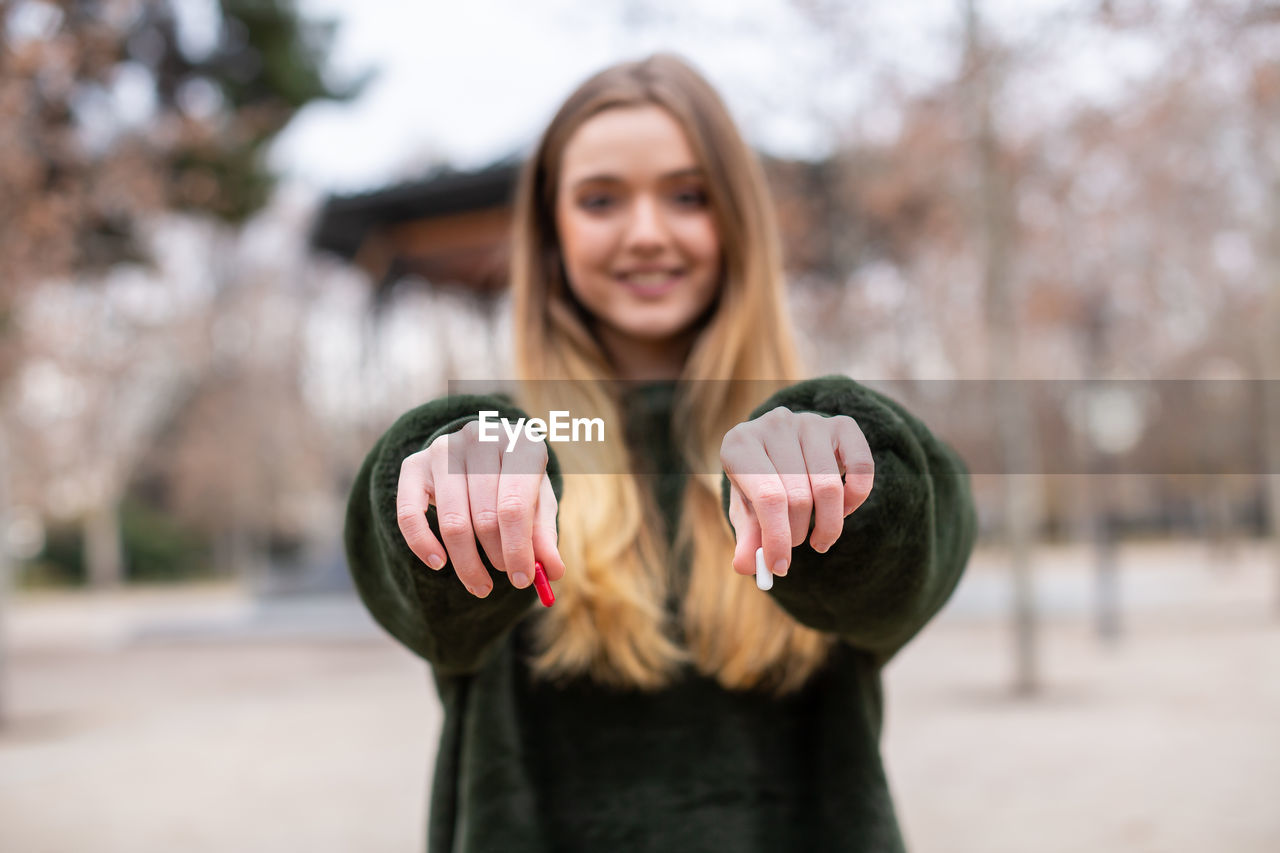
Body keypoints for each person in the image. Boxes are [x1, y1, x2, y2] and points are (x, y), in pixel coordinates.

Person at [343, 52, 976, 853]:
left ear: (738, 219)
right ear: (552, 231)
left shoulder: (813, 446)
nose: (647, 233)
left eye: (687, 195)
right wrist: (440, 474)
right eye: (601, 199)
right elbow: (406, 569)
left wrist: (851, 462)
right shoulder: (530, 450)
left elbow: (922, 540)